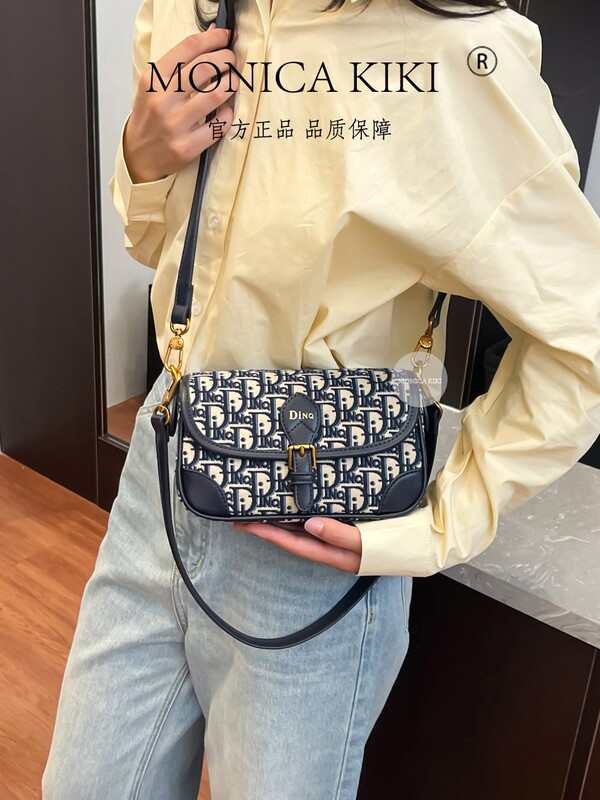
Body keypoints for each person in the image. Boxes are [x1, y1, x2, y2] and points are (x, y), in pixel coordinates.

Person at [42, 0, 600, 798]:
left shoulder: (456, 53)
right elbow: (159, 246)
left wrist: (444, 519)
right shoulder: (186, 8)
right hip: (160, 479)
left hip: (312, 530)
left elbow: (583, 335)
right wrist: (142, 153)